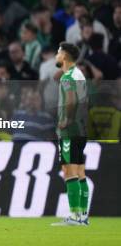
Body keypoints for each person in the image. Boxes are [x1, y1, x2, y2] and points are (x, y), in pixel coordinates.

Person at [51, 42, 90, 226]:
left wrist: (66, 119)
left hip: (70, 129)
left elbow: (72, 100)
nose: (56, 55)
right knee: (80, 171)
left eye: (58, 52)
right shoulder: (77, 74)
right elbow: (54, 77)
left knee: (68, 170)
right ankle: (82, 215)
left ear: (65, 55)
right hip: (82, 129)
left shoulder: (68, 77)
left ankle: (74, 216)